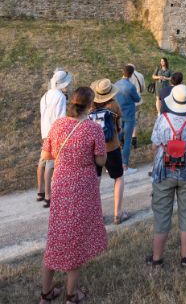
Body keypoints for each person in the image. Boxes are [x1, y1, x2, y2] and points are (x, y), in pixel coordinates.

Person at [39, 87, 107, 304]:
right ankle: (71, 296)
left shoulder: (57, 125)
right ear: (89, 106)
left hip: (60, 184)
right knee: (75, 240)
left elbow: (47, 154)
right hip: (82, 187)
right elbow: (100, 161)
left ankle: (46, 294)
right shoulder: (93, 129)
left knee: (56, 237)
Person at [147, 84, 186, 268]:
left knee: (162, 215)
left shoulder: (162, 120)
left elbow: (154, 146)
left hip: (163, 171)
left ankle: (157, 258)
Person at [90, 78, 128, 225]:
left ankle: (96, 216)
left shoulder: (90, 107)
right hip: (111, 147)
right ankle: (117, 214)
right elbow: (118, 124)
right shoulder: (114, 105)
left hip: (94, 149)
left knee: (96, 181)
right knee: (118, 177)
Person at [37, 69, 72, 208]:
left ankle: (40, 192)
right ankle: (48, 196)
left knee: (42, 161)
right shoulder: (60, 96)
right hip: (55, 132)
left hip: (44, 131)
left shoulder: (45, 95)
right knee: (50, 164)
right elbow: (61, 118)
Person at [115, 65, 140, 175]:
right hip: (129, 115)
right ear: (131, 74)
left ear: (123, 72)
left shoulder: (115, 84)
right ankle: (124, 165)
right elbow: (137, 99)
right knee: (128, 140)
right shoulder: (130, 86)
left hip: (118, 114)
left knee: (118, 138)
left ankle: (114, 163)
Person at [126, 63, 145, 149]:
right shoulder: (140, 75)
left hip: (128, 101)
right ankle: (134, 140)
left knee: (126, 120)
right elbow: (143, 88)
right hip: (137, 101)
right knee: (135, 120)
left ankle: (125, 140)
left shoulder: (127, 76)